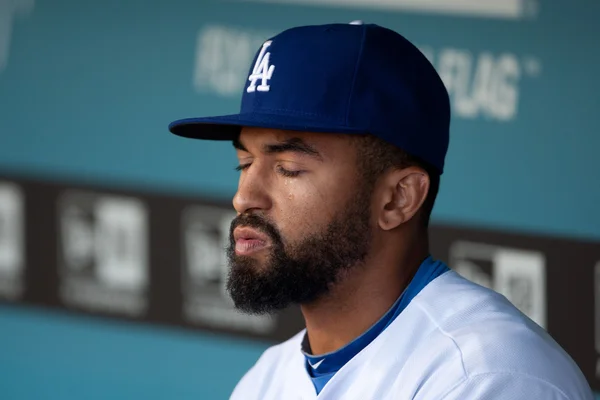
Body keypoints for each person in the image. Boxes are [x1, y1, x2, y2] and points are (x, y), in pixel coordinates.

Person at [169, 22, 593, 400]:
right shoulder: (266, 380)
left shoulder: (489, 377)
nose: (245, 197)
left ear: (398, 198)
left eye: (288, 168)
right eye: (244, 164)